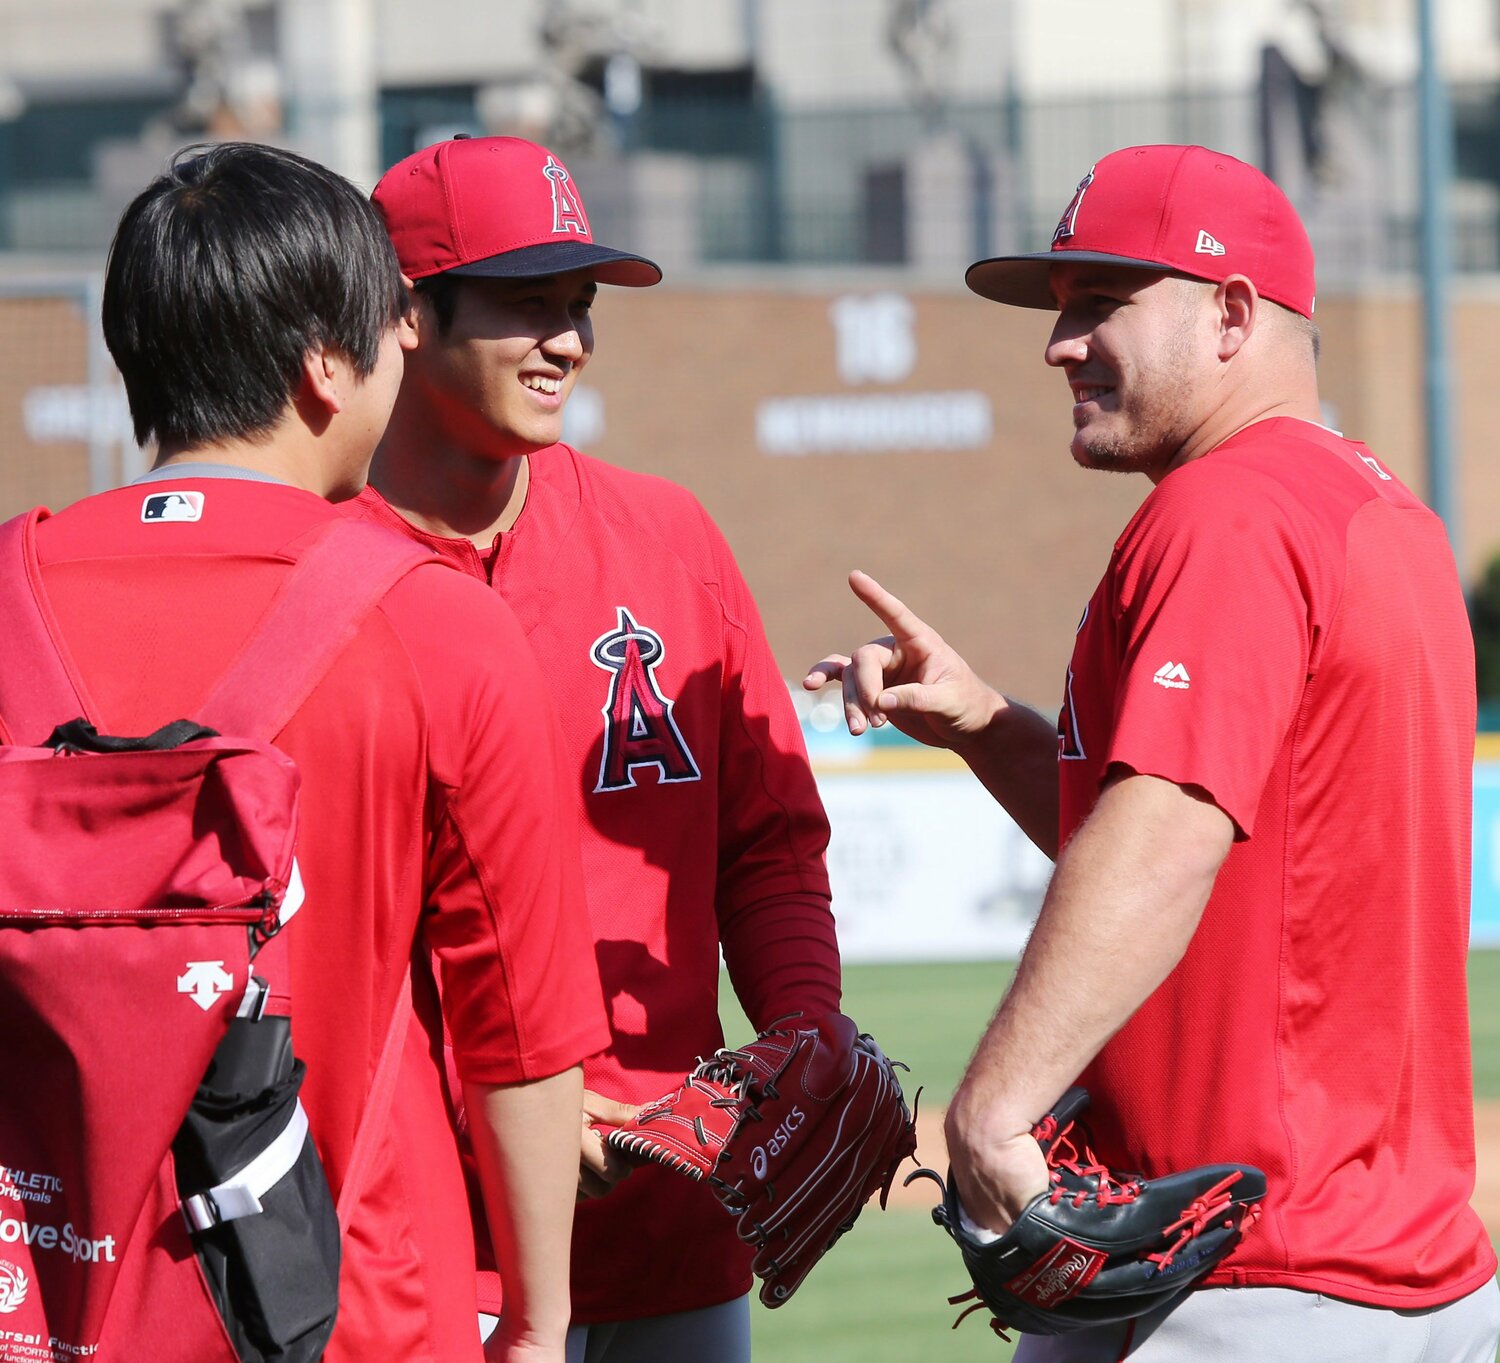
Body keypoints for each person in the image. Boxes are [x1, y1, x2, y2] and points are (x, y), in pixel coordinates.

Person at [807, 143, 1500, 1360]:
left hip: (1240, 1274)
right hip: (1405, 1271)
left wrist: (992, 1107)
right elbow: (1242, 850)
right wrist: (985, 726)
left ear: (1232, 313)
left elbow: (1172, 830)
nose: (1058, 342)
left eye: (1100, 303)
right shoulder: (1379, 511)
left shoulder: (1226, 511)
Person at [35, 141, 610, 1363]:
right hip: (347, 1310)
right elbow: (521, 1028)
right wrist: (541, 1319)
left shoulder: (7, 592)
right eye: (390, 331)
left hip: (46, 1303)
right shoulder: (438, 618)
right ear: (323, 366)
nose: (409, 352)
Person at [354, 134, 841, 1363]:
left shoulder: (666, 539)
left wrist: (803, 1026)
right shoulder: (321, 573)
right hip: (418, 1246)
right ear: (407, 312)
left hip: (672, 1226)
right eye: (528, 302)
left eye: (579, 304)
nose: (569, 338)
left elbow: (768, 842)